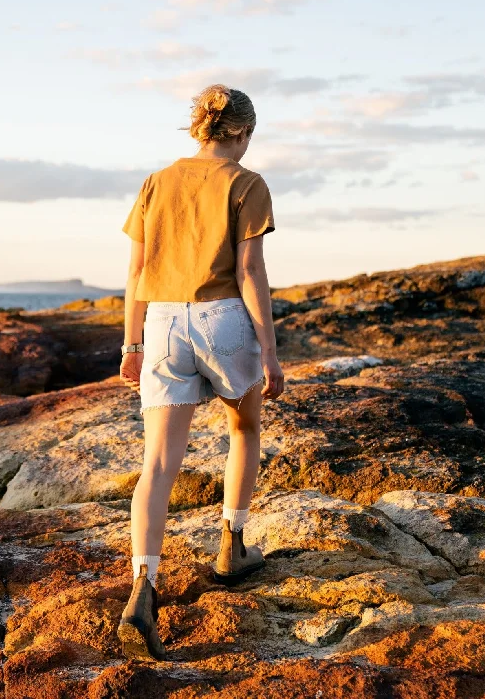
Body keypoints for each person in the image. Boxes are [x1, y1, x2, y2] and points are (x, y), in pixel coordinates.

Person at [116, 83, 285, 661]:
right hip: (223, 320)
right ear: (240, 132)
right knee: (244, 428)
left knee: (157, 464)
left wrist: (129, 343)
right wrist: (270, 349)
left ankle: (143, 585)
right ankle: (232, 545)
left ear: (199, 129)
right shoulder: (247, 183)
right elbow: (250, 272)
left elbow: (137, 270)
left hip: (161, 322)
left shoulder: (156, 182)